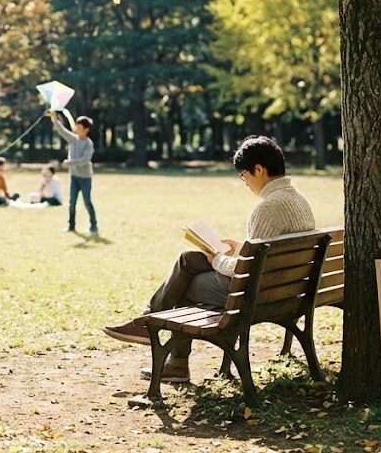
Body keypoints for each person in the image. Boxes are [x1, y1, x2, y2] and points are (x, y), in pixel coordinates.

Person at [102, 135, 316, 383]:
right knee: (188, 260)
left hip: (254, 295)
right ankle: (150, 325)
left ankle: (173, 360)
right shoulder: (298, 200)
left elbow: (245, 271)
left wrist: (217, 260)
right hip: (286, 291)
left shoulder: (268, 208)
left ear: (259, 169)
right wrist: (240, 247)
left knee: (183, 284)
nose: (244, 181)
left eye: (243, 174)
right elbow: (267, 252)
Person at [48, 112, 97, 233]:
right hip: (74, 177)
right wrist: (55, 120)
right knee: (72, 202)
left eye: (80, 128)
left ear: (86, 130)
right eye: (76, 127)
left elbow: (85, 160)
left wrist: (70, 162)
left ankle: (93, 225)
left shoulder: (89, 144)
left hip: (85, 178)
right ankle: (71, 226)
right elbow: (62, 131)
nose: (77, 130)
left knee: (87, 201)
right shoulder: (73, 139)